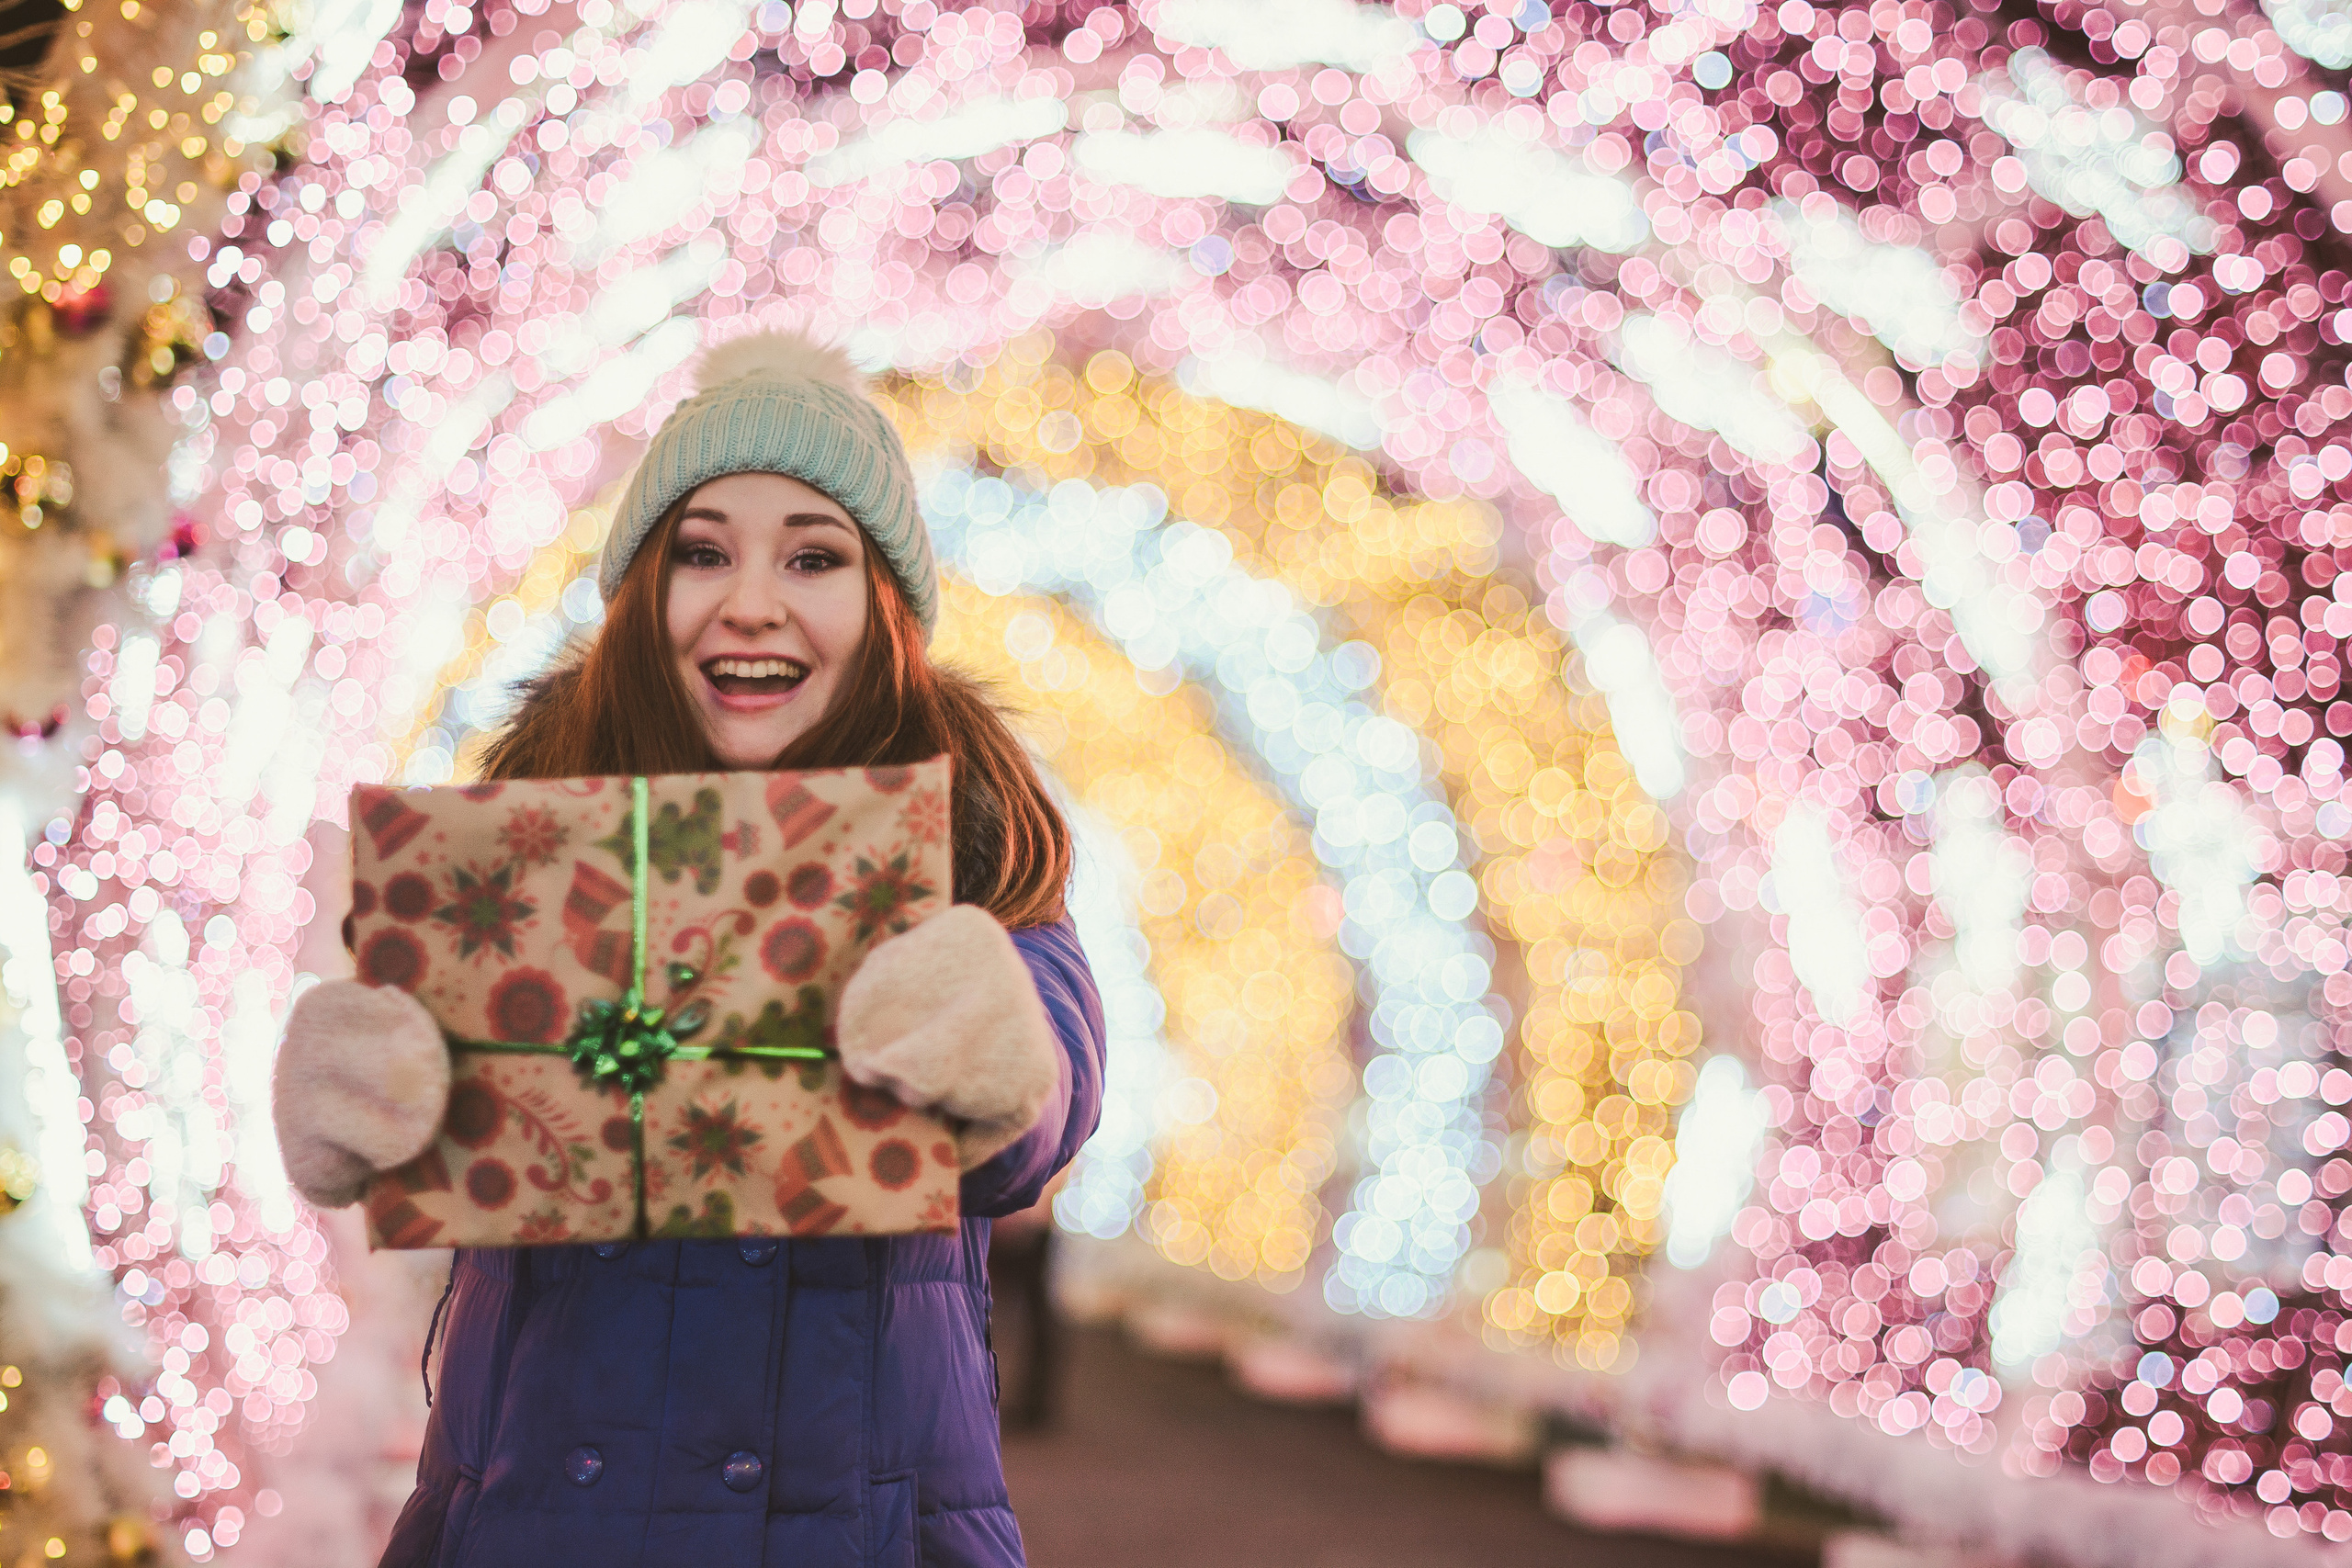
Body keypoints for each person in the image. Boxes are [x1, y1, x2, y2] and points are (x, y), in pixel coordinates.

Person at [268, 333, 1107, 1568]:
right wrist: (370, 1088)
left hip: (848, 1527)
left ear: (881, 606)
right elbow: (452, 1124)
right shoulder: (528, 828)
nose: (750, 599)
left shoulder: (967, 832)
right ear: (644, 594)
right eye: (702, 552)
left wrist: (997, 1055)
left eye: (812, 557)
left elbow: (1046, 1107)